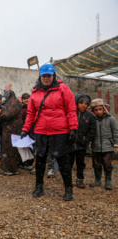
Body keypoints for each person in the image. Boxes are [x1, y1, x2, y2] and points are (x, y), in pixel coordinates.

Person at [21, 64, 78, 201]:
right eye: (44, 76)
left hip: (60, 131)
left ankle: (68, 188)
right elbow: (30, 113)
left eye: (49, 76)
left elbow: (71, 110)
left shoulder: (63, 89)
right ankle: (39, 186)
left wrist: (73, 128)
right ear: (40, 76)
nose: (46, 78)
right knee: (40, 160)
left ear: (54, 76)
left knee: (63, 161)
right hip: (41, 131)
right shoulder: (35, 92)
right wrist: (25, 129)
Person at [90, 98, 118, 190]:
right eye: (96, 110)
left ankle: (108, 180)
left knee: (107, 163)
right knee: (96, 163)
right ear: (93, 111)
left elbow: (115, 132)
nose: (98, 112)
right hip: (96, 146)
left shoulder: (111, 119)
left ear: (104, 109)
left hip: (108, 146)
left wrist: (115, 143)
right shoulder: (92, 120)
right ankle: (97, 180)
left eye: (100, 109)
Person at [70, 92, 96, 188]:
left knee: (80, 163)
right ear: (76, 103)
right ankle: (68, 180)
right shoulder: (71, 113)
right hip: (70, 143)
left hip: (82, 144)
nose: (83, 105)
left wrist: (87, 139)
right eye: (81, 103)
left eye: (86, 103)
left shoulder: (90, 116)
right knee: (69, 162)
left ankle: (80, 179)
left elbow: (92, 129)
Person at [0, 90, 23, 175]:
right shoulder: (11, 102)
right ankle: (10, 168)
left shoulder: (13, 103)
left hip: (12, 130)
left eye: (5, 95)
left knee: (10, 150)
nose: (3, 97)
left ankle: (11, 169)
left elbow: (7, 115)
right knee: (10, 149)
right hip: (10, 130)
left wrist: (0, 112)